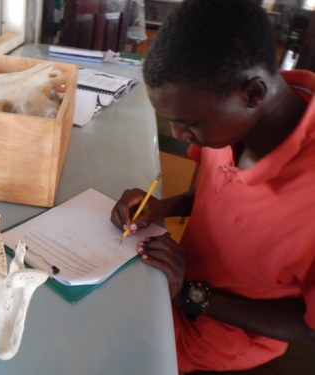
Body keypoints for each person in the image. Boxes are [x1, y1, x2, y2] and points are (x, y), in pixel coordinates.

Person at [110, 0, 315, 374]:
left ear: (252, 94)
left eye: (188, 123)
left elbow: (310, 328)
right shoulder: (227, 124)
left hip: (222, 339)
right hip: (170, 289)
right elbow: (224, 198)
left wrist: (191, 293)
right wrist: (163, 207)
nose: (176, 135)